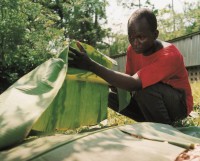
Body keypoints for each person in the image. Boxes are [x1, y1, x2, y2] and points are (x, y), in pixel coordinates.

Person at [69, 8, 193, 125]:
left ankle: (165, 127)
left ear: (155, 34)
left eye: (141, 37)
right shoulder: (132, 50)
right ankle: (150, 122)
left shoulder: (169, 55)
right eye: (131, 38)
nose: (135, 43)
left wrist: (91, 65)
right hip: (152, 101)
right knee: (108, 93)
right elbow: (127, 83)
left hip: (178, 106)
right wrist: (92, 76)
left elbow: (134, 83)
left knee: (145, 89)